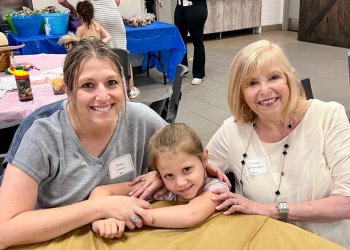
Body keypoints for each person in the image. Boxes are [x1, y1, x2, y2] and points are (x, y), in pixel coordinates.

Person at [0, 36, 167, 249]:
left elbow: (190, 154)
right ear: (69, 91)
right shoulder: (44, 137)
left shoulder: (142, 120)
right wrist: (99, 208)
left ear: (124, 84)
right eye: (88, 85)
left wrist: (162, 173)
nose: (103, 95)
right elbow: (4, 231)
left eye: (112, 82)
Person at [206, 39, 350, 248]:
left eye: (274, 77)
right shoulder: (233, 131)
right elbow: (195, 166)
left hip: (327, 244)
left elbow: (346, 203)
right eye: (252, 83)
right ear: (240, 93)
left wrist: (269, 210)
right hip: (264, 243)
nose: (264, 90)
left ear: (289, 79)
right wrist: (162, 175)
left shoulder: (328, 116)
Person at [89, 123, 229, 238]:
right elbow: (102, 190)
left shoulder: (217, 189)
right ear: (157, 174)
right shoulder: (158, 186)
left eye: (187, 169)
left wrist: (128, 216)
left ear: (204, 159)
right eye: (169, 175)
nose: (180, 183)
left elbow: (191, 214)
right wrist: (99, 219)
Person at [58, 0, 140, 99]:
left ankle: (105, 86)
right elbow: (117, 2)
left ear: (80, 15)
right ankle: (130, 89)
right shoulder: (96, 25)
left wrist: (72, 9)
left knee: (99, 57)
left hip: (98, 15)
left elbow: (61, 1)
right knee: (122, 52)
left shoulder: (81, 29)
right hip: (113, 15)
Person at [174, 0, 208, 85]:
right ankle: (182, 68)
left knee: (197, 40)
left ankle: (198, 74)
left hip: (195, 6)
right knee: (180, 40)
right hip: (180, 6)